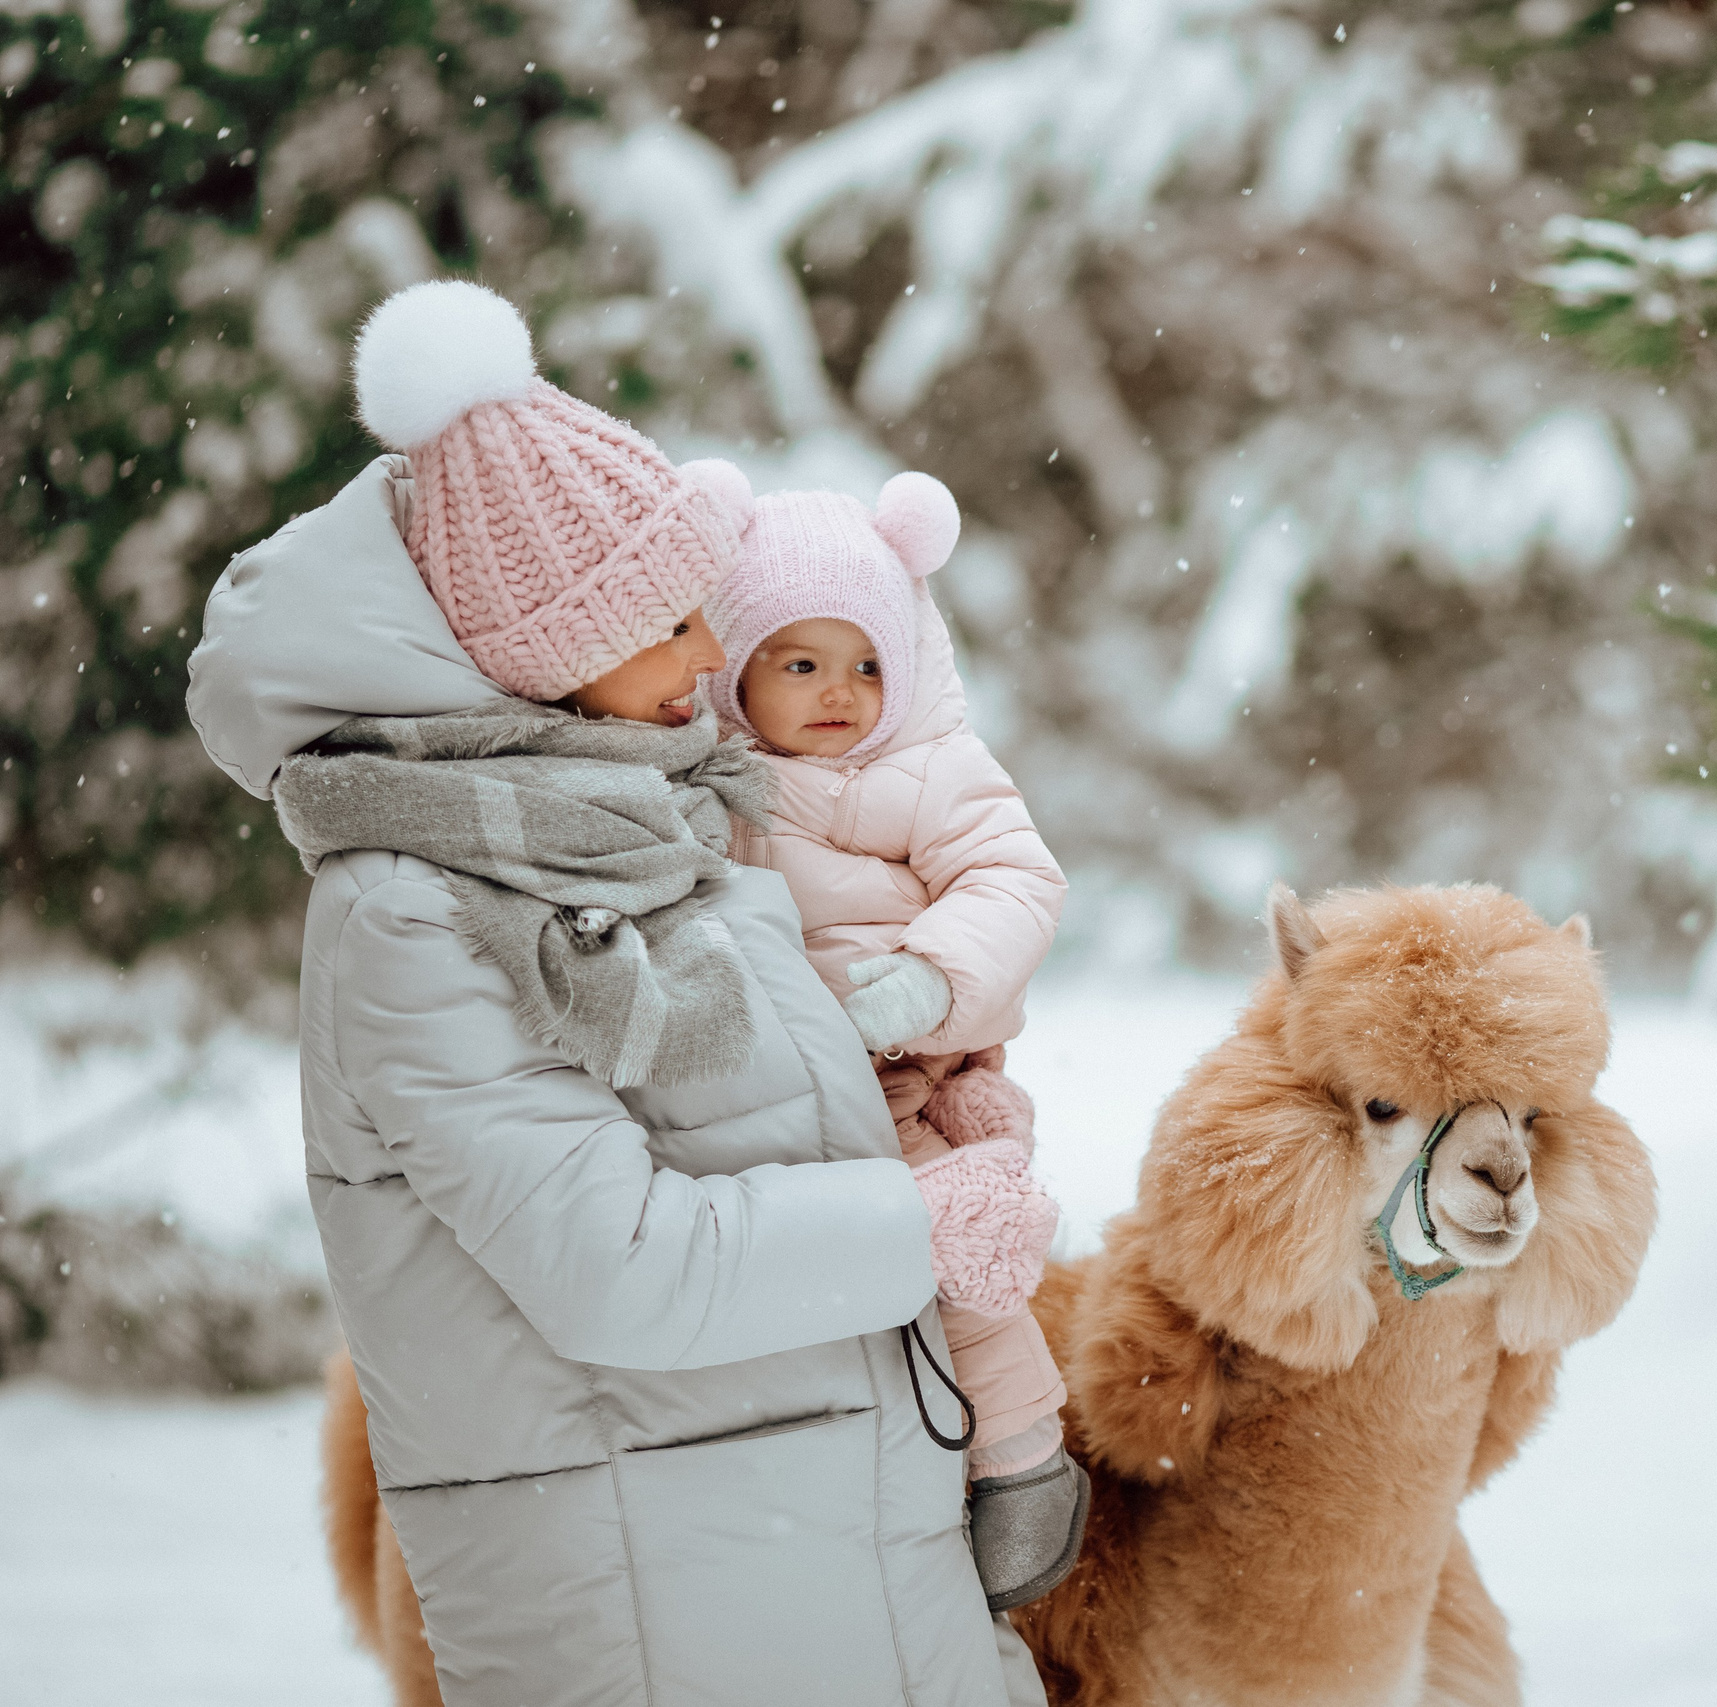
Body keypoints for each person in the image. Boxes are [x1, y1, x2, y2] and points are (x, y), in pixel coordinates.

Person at [185, 279, 1046, 1706]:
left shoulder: (650, 831)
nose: (717, 661)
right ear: (545, 647)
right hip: (661, 1611)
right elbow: (619, 1261)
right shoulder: (417, 901)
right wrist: (920, 1222)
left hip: (818, 1572)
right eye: (669, 621)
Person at [705, 485, 1084, 1611]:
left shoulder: (934, 763)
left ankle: (1019, 1460)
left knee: (957, 1249)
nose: (840, 695)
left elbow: (1017, 878)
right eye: (800, 663)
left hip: (898, 1073)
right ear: (734, 666)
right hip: (757, 1080)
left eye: (867, 664)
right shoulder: (705, 777)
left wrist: (926, 982)